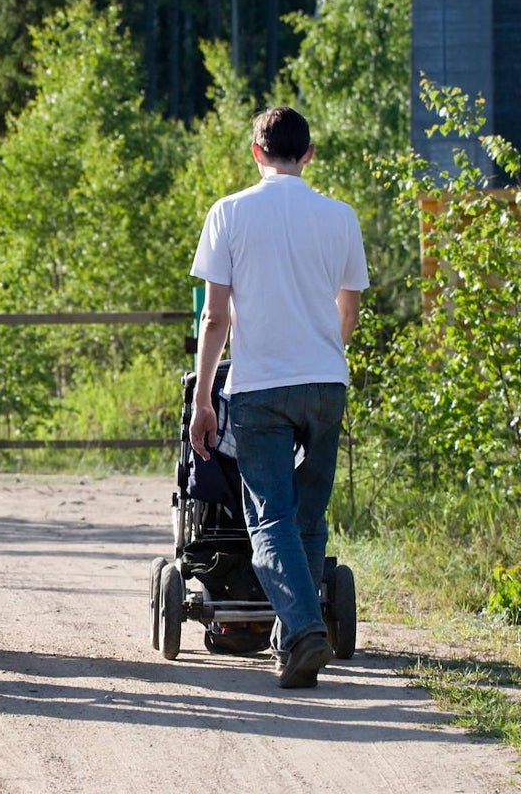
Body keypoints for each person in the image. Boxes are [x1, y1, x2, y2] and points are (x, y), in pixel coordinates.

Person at [188, 107, 369, 689]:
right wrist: (323, 352)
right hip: (326, 382)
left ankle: (303, 629)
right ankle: (299, 635)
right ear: (309, 153)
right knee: (308, 514)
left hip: (259, 386)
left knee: (269, 519)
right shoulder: (340, 217)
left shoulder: (229, 213)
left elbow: (215, 316)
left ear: (255, 151)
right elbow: (349, 310)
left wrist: (203, 399)